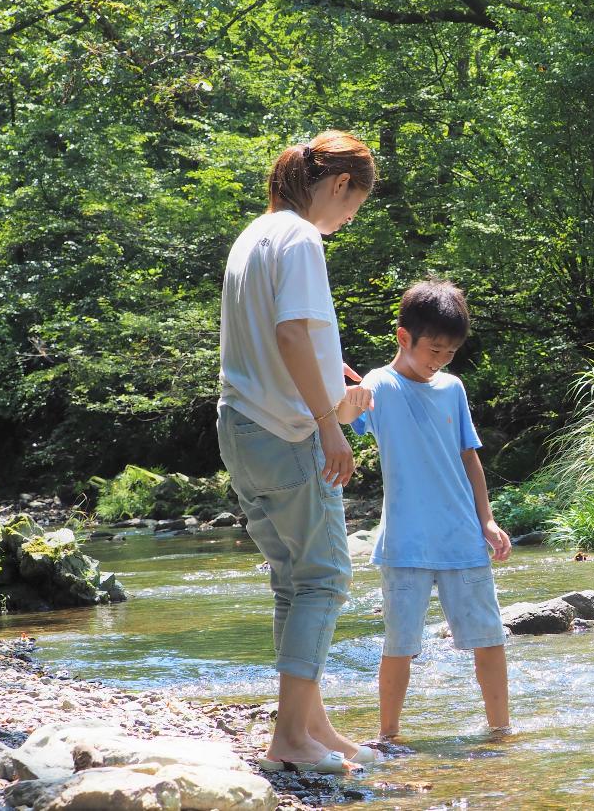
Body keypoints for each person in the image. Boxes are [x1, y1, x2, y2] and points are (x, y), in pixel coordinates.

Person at [215, 129, 382, 775]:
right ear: (339, 186)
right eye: (354, 207)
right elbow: (289, 334)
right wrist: (329, 423)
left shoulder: (255, 235)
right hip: (287, 436)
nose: (348, 221)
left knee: (292, 579)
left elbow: (272, 336)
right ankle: (289, 739)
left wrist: (326, 370)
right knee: (324, 579)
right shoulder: (303, 238)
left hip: (240, 428)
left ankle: (312, 724)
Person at [342, 280, 513, 742]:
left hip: (462, 537)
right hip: (405, 542)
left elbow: (469, 457)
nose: (440, 360)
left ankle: (501, 730)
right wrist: (345, 400)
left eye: (449, 352)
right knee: (400, 645)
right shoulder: (380, 383)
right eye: (434, 349)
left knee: (489, 640)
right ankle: (388, 734)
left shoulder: (452, 388)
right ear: (404, 337)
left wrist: (488, 520)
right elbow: (345, 418)